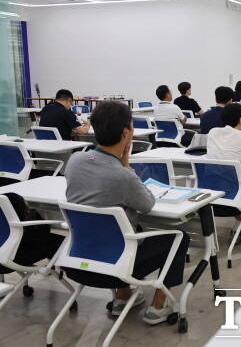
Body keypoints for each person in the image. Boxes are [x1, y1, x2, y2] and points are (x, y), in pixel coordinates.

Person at [64, 101, 190, 325]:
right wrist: (126, 164)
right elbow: (147, 204)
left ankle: (123, 299)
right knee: (179, 238)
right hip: (116, 266)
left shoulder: (74, 161)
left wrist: (122, 162)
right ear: (125, 133)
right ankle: (157, 307)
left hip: (78, 259)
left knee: (120, 229)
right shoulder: (123, 176)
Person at [0, 192, 64, 278]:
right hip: (8, 262)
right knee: (59, 242)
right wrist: (32, 213)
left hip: (5, 257)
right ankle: (69, 270)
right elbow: (44, 231)